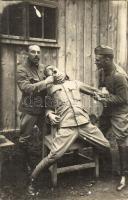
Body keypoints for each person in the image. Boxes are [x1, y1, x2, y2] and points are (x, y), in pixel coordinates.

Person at [28, 65, 110, 196]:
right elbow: (47, 108)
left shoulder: (75, 83)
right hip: (67, 127)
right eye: (51, 72)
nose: (55, 73)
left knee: (106, 145)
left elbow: (95, 91)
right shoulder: (50, 90)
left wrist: (101, 94)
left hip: (85, 124)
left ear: (63, 72)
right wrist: (50, 115)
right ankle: (32, 180)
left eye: (55, 70)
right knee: (54, 155)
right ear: (48, 77)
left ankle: (104, 169)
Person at [94, 45, 128, 191]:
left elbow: (124, 99)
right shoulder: (102, 71)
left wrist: (104, 99)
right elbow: (103, 86)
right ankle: (106, 167)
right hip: (108, 110)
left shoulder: (119, 76)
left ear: (107, 59)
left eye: (98, 60)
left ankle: (124, 175)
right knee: (97, 133)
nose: (96, 62)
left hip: (120, 111)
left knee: (121, 140)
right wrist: (101, 92)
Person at [16, 45, 54, 172]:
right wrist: (46, 82)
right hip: (29, 109)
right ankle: (24, 164)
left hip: (43, 109)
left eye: (38, 52)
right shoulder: (21, 69)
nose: (36, 54)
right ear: (27, 53)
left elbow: (50, 86)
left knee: (47, 134)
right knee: (24, 138)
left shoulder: (43, 68)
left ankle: (46, 162)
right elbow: (26, 88)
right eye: (33, 52)